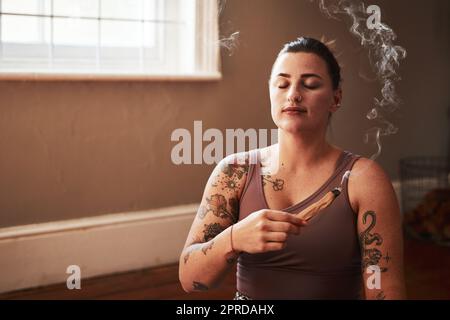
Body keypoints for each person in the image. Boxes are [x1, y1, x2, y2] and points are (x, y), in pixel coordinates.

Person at [178, 37, 406, 299]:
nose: (293, 94)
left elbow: (384, 289)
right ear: (271, 94)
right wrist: (234, 238)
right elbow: (190, 279)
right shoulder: (234, 171)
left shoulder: (363, 179)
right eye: (282, 84)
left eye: (310, 84)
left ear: (336, 98)